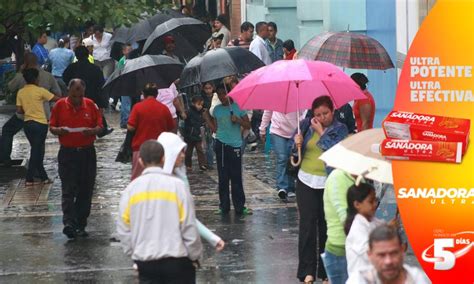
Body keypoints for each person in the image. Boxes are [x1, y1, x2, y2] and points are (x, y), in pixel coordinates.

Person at [117, 140, 202, 283]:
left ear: (141, 161)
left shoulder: (131, 190)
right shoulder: (177, 187)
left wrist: (134, 252)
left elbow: (124, 227)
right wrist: (194, 255)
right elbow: (189, 225)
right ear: (163, 159)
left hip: (145, 262)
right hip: (178, 260)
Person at [291, 96, 349, 283]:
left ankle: (326, 272)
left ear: (332, 112)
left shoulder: (340, 129)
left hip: (329, 182)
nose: (322, 117)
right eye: (318, 114)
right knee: (307, 226)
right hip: (306, 181)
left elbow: (335, 153)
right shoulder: (305, 125)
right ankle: (307, 271)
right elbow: (295, 154)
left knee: (327, 226)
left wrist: (322, 132)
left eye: (325, 113)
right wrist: (296, 143)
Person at [49, 79, 103, 238]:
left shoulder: (91, 105)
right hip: (67, 153)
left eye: (80, 95)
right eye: (74, 96)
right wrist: (59, 130)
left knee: (86, 189)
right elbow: (51, 127)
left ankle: (81, 223)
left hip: (87, 152)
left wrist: (92, 131)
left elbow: (100, 126)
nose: (77, 100)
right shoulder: (59, 105)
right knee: (68, 188)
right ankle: (69, 223)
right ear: (68, 92)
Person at [157, 132, 225, 251]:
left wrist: (213, 238)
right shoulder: (156, 182)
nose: (183, 156)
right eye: (179, 152)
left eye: (183, 151)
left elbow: (187, 216)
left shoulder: (181, 178)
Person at [1, 52, 61, 166]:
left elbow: (10, 87)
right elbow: (57, 94)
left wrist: (19, 71)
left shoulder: (21, 76)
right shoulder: (48, 76)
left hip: (23, 115)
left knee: (7, 130)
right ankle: (38, 167)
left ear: (25, 63)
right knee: (39, 143)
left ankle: (5, 159)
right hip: (42, 115)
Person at [208, 84, 252, 216]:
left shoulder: (238, 108)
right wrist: (206, 118)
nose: (222, 97)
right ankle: (224, 206)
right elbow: (215, 129)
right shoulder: (216, 110)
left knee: (236, 177)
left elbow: (248, 125)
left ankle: (240, 206)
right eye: (219, 94)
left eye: (224, 94)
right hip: (221, 144)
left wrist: (238, 120)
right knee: (223, 177)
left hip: (235, 145)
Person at [16, 68, 60, 185]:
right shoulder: (40, 91)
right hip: (40, 124)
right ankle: (29, 178)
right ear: (36, 79)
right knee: (37, 150)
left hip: (27, 124)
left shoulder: (20, 92)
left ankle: (43, 177)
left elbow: (19, 110)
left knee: (37, 150)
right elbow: (56, 98)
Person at [346, 225, 430, 284]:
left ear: (402, 251)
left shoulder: (418, 279)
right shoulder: (359, 280)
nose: (388, 261)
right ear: (370, 255)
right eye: (381, 255)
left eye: (394, 253)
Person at [128, 83, 175, 180]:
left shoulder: (137, 107)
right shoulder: (164, 108)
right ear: (157, 94)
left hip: (140, 147)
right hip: (159, 148)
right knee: (159, 178)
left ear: (143, 94)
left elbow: (130, 127)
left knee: (138, 178)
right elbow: (170, 127)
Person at [63, 46, 113, 137]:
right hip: (93, 98)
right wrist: (102, 103)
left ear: (76, 56)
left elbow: (65, 78)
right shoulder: (95, 69)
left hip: (76, 97)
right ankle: (101, 129)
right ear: (88, 55)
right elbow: (101, 86)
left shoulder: (71, 68)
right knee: (96, 114)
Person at [320, 169, 357, 284]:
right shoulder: (337, 178)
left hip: (356, 248)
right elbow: (345, 218)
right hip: (340, 249)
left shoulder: (359, 178)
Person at [259, 110, 302, 199]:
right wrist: (262, 128)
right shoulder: (274, 97)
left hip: (294, 132)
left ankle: (291, 187)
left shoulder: (299, 97)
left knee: (292, 159)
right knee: (282, 158)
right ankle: (282, 186)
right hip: (277, 131)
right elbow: (268, 111)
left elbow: (303, 114)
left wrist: (301, 128)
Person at [345, 183, 385, 278]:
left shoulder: (372, 220)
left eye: (375, 200)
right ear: (357, 204)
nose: (375, 204)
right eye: (371, 201)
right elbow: (369, 253)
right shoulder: (357, 228)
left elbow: (383, 227)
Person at [184, 96, 207, 171]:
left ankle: (202, 164)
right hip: (190, 135)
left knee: (200, 150)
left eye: (201, 104)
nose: (200, 106)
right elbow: (184, 118)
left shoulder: (201, 112)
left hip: (198, 134)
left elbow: (202, 121)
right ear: (193, 104)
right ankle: (188, 165)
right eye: (198, 104)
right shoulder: (189, 111)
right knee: (189, 152)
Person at [201, 82, 217, 169]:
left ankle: (210, 161)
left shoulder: (216, 97)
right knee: (207, 143)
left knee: (213, 142)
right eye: (206, 88)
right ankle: (209, 162)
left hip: (215, 121)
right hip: (205, 122)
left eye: (209, 88)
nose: (208, 90)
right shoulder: (201, 98)